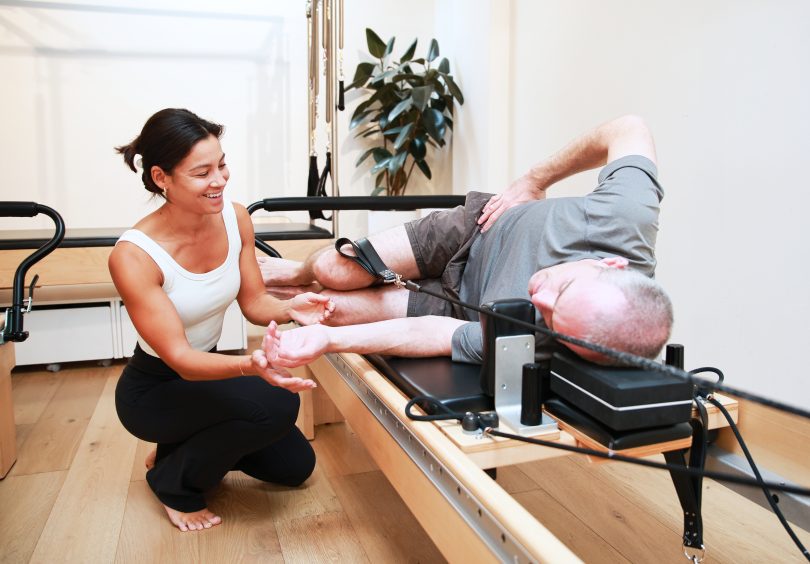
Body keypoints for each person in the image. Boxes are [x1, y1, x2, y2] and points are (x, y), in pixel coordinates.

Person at [258, 115, 672, 368]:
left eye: (552, 319)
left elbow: (435, 334)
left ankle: (300, 291)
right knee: (335, 270)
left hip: (457, 305)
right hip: (478, 228)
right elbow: (627, 128)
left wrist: (328, 342)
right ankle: (299, 270)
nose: (537, 296)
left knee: (333, 313)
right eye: (561, 290)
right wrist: (533, 180)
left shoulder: (532, 343)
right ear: (611, 265)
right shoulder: (626, 217)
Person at [110, 108, 335, 532]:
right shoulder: (135, 256)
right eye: (202, 172)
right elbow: (178, 358)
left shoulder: (235, 217)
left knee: (295, 466)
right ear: (161, 178)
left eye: (222, 164)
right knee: (279, 403)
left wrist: (292, 308)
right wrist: (250, 366)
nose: (220, 180)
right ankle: (172, 483)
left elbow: (253, 303)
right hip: (156, 391)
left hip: (205, 377)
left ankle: (179, 446)